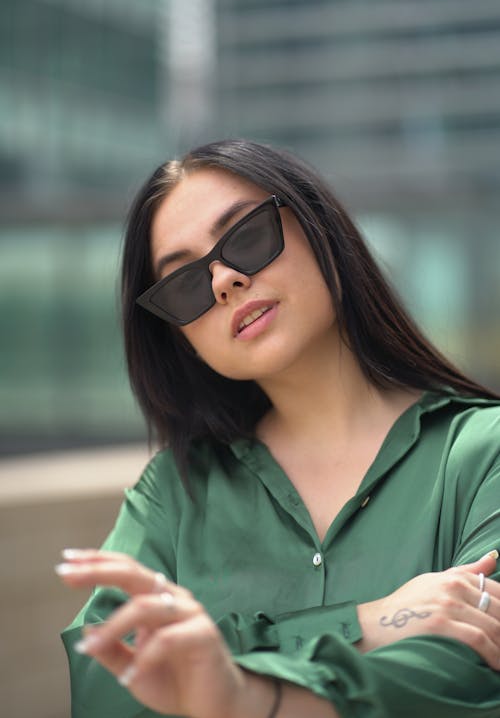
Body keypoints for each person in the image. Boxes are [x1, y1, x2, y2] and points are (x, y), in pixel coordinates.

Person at [58, 139, 500, 718]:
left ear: (319, 228)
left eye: (246, 238)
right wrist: (362, 624)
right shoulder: (173, 493)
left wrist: (234, 685)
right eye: (186, 283)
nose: (222, 282)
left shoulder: (481, 452)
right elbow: (104, 688)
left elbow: (466, 676)